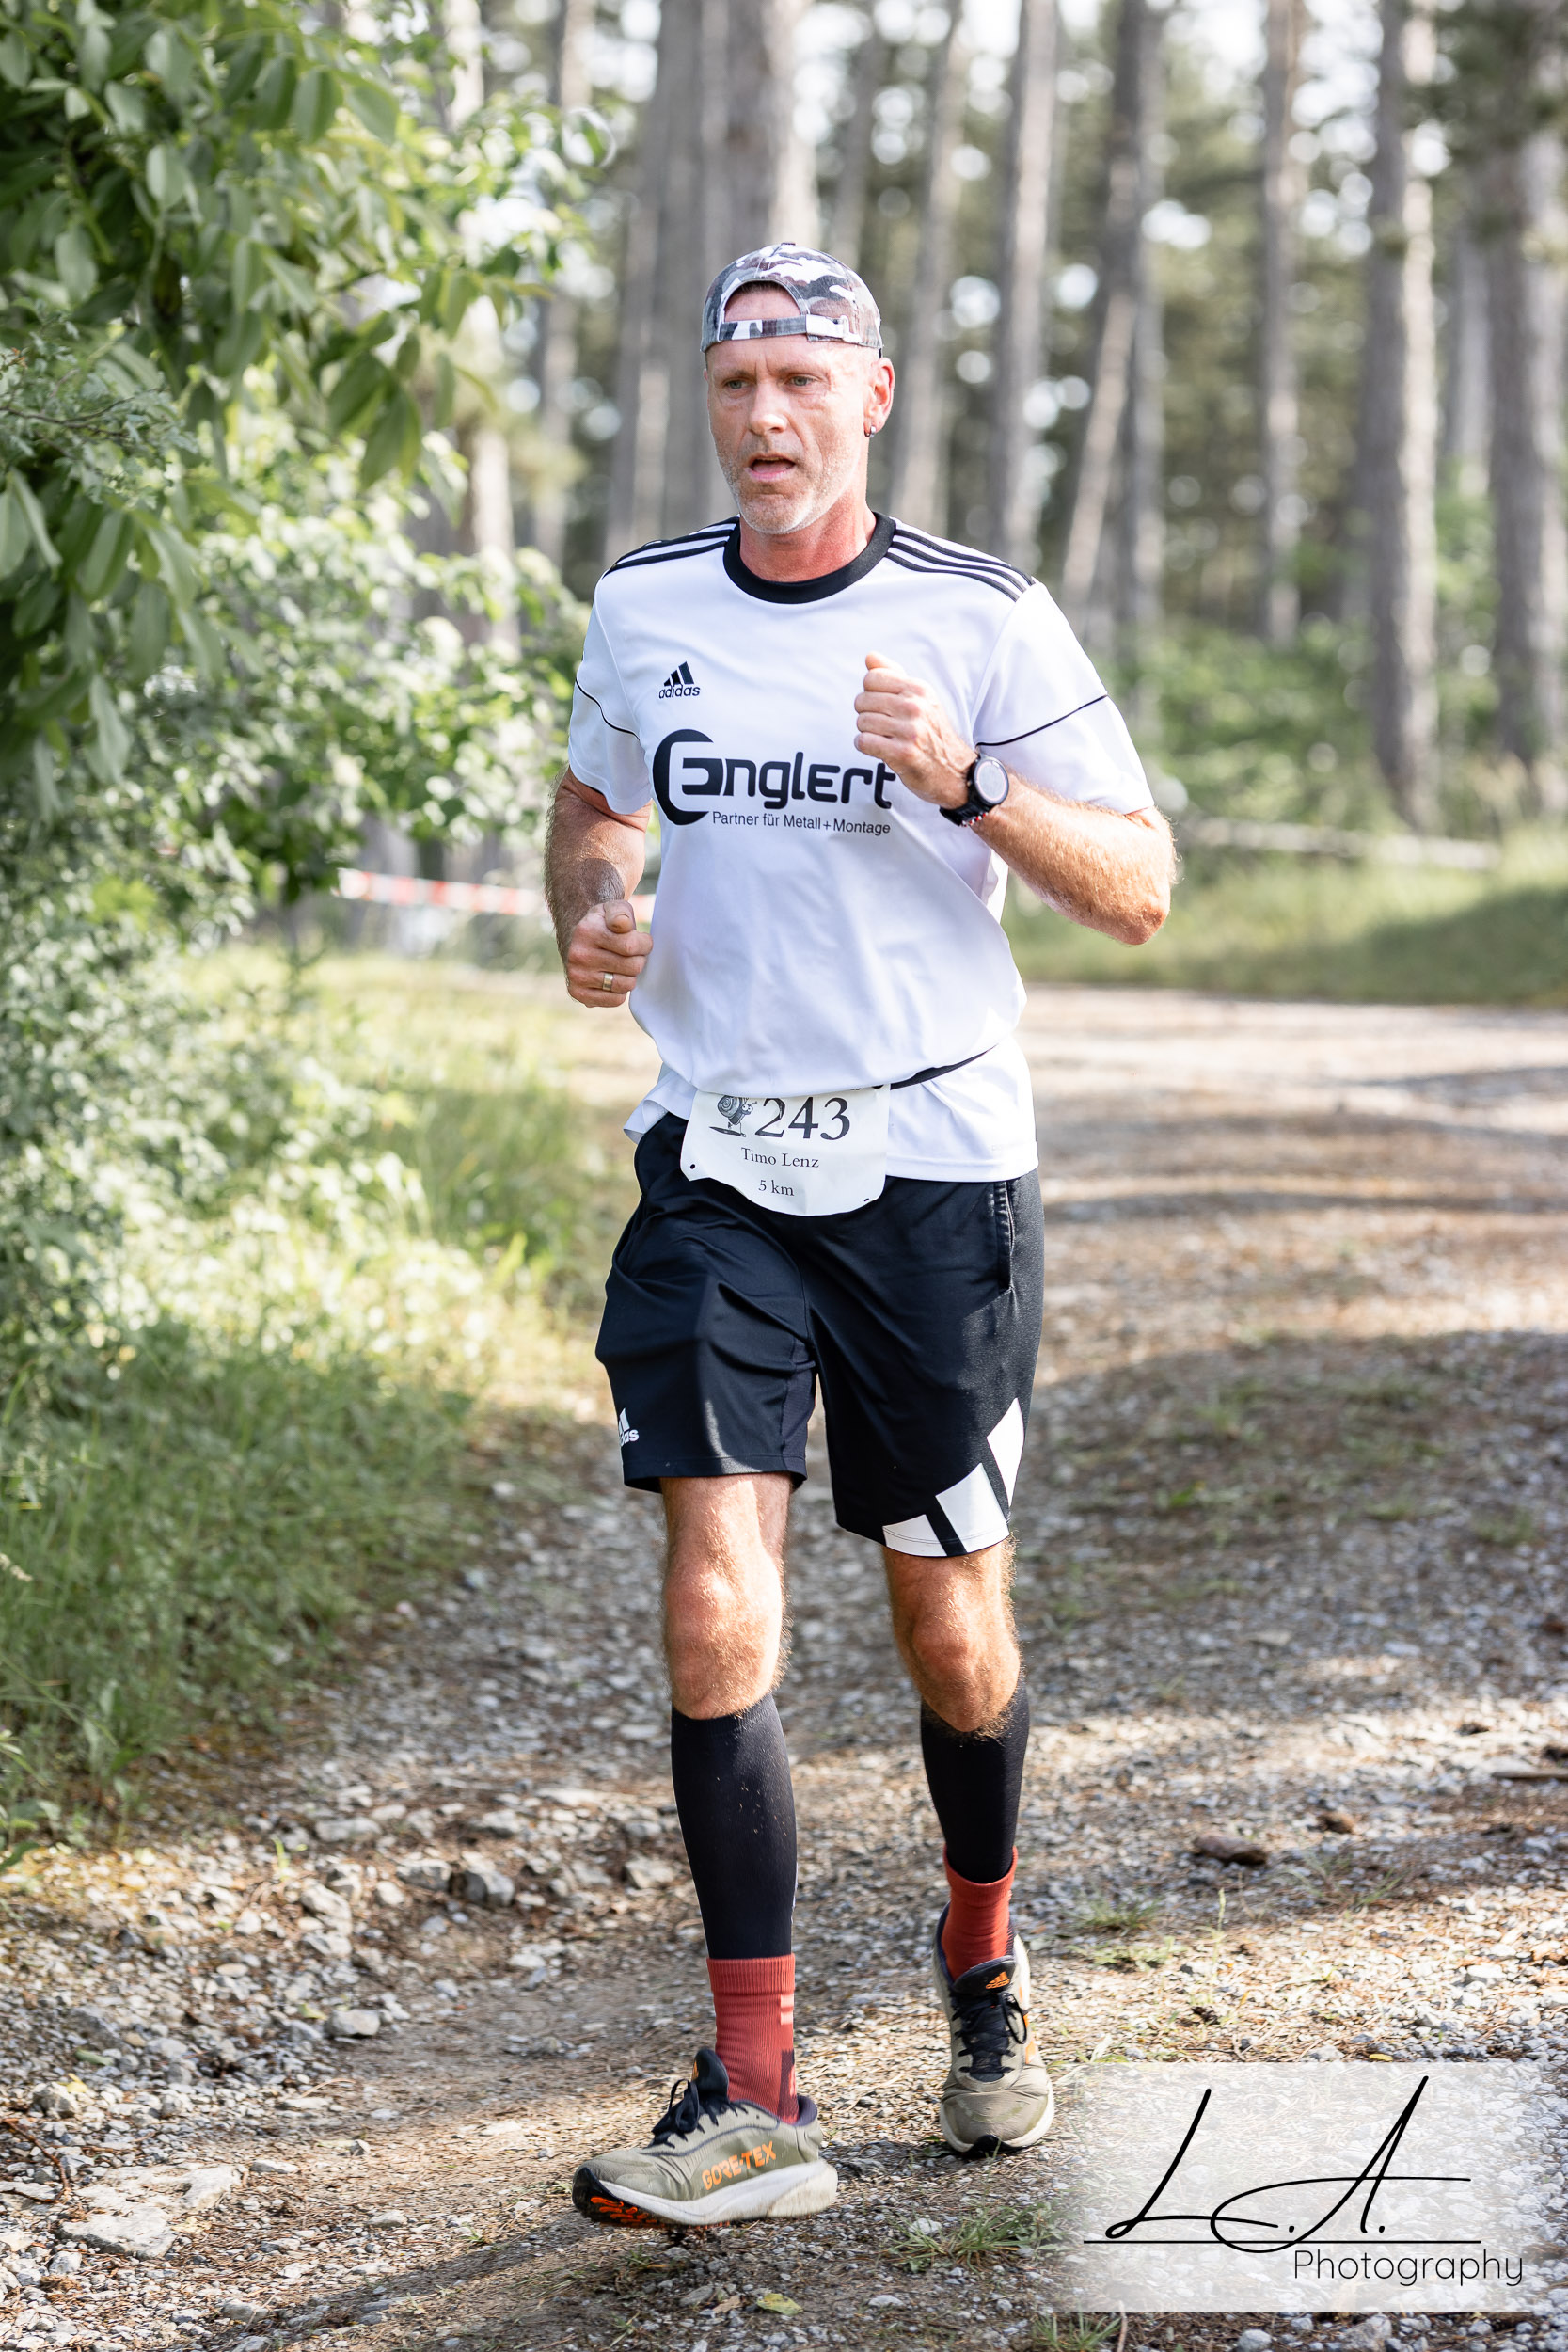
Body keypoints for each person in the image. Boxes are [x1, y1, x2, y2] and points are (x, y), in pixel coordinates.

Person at [546, 241, 1173, 2230]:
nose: (767, 417)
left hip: (932, 1171)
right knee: (713, 1590)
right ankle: (754, 2090)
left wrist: (967, 781)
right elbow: (591, 808)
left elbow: (1140, 885)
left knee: (950, 1626)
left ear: (872, 401)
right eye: (738, 382)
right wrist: (594, 910)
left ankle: (982, 1953)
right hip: (717, 1156)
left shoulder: (979, 614)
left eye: (804, 381)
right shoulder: (647, 602)